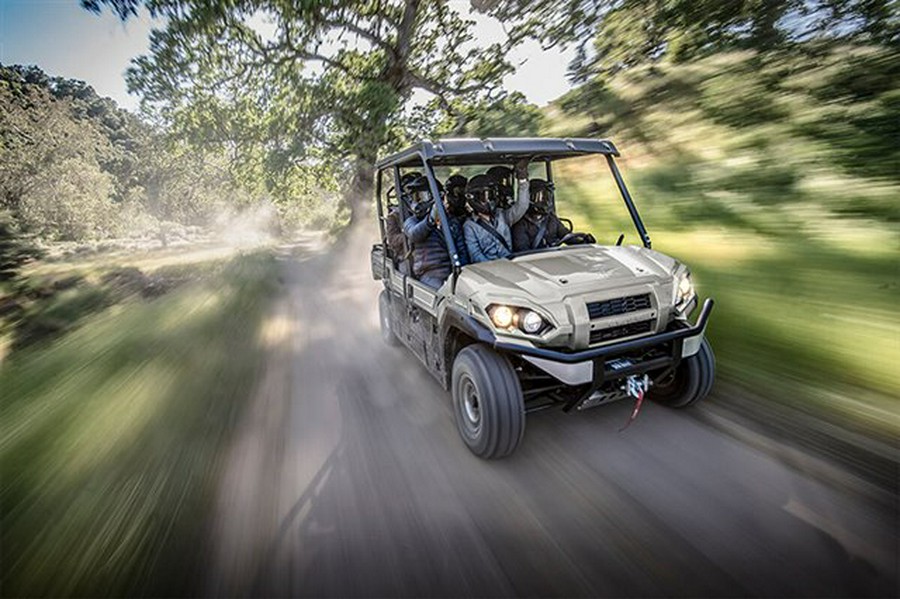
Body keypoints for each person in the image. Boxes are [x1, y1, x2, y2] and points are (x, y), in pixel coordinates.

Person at [464, 159, 530, 263]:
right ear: (474, 198)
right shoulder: (470, 226)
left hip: (510, 264)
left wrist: (522, 180)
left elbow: (522, 206)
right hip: (488, 271)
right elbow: (475, 255)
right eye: (484, 197)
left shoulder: (502, 215)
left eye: (492, 195)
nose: (490, 200)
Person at [402, 174, 452, 288]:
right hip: (429, 273)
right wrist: (430, 220)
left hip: (453, 272)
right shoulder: (411, 221)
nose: (417, 202)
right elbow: (414, 234)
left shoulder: (451, 221)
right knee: (442, 295)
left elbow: (461, 250)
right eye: (415, 197)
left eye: (421, 196)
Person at [512, 179, 569, 251]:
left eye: (548, 197)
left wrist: (582, 239)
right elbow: (523, 251)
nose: (546, 201)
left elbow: (566, 235)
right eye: (543, 198)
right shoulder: (521, 224)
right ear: (531, 198)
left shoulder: (551, 218)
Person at [441, 174, 470, 266]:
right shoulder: (444, 219)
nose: (460, 197)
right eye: (457, 193)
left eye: (463, 192)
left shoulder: (470, 214)